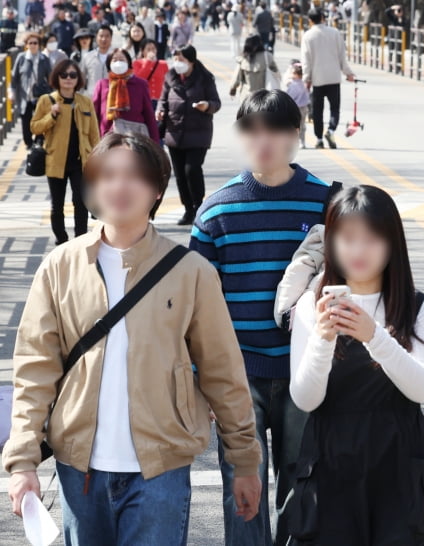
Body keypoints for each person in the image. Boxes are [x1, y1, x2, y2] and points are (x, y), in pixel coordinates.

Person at [4, 132, 262, 545]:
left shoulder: (190, 271)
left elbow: (222, 372)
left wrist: (245, 459)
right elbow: (35, 369)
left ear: (158, 188)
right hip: (79, 469)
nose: (120, 186)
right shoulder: (61, 266)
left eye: (135, 176)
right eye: (107, 175)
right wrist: (22, 460)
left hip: (161, 470)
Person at [190, 89, 331, 545]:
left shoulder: (326, 203)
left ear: (295, 135)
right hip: (237, 376)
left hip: (305, 369)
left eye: (275, 129)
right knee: (242, 491)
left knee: (303, 489)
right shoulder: (217, 210)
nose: (263, 140)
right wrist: (200, 379)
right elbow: (198, 307)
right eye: (252, 130)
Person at [286, 185, 424, 544]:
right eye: (347, 238)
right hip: (331, 460)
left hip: (399, 460)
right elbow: (305, 399)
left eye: (371, 238)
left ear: (392, 243)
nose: (358, 250)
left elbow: (422, 388)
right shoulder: (312, 305)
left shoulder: (415, 306)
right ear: (331, 242)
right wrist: (324, 340)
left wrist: (375, 336)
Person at [31, 59, 100, 245]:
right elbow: (35, 127)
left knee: (81, 201)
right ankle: (61, 239)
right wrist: (51, 115)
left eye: (73, 75)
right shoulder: (46, 100)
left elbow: (95, 134)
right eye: (64, 75)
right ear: (57, 78)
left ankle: (81, 239)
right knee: (57, 205)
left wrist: (98, 159)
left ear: (78, 79)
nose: (68, 79)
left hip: (81, 161)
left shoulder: (85, 102)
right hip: (56, 160)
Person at [157, 45, 221, 225]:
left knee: (191, 170)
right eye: (175, 59)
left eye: (182, 60)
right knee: (179, 175)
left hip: (198, 133)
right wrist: (161, 110)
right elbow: (163, 100)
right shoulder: (170, 77)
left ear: (191, 61)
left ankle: (199, 207)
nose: (177, 63)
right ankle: (188, 210)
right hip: (174, 133)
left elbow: (216, 102)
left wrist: (206, 106)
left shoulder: (205, 78)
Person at [300, 8, 356, 149]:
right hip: (333, 78)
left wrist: (307, 79)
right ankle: (330, 130)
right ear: (323, 18)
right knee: (335, 109)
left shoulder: (308, 36)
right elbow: (342, 56)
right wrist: (348, 73)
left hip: (317, 79)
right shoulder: (335, 33)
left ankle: (319, 139)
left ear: (310, 20)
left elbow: (306, 60)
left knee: (317, 111)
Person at [93, 48, 160, 142]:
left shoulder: (140, 84)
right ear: (109, 64)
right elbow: (94, 115)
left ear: (128, 63)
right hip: (108, 137)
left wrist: (155, 142)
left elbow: (149, 116)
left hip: (135, 138)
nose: (118, 62)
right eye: (115, 60)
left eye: (122, 60)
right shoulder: (102, 85)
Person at [10, 34, 53, 148]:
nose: (33, 45)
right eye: (30, 43)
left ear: (39, 45)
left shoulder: (44, 59)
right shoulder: (21, 58)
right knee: (26, 120)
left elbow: (50, 77)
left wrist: (53, 94)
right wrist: (12, 93)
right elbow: (14, 78)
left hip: (40, 96)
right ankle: (28, 143)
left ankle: (39, 141)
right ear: (26, 45)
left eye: (35, 43)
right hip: (25, 96)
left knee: (40, 119)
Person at [133, 39, 170, 112]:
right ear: (143, 51)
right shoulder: (137, 63)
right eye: (148, 49)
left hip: (159, 100)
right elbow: (139, 78)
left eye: (153, 48)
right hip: (144, 99)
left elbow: (167, 82)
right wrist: (148, 62)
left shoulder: (163, 64)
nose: (151, 51)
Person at [81, 24, 116, 90]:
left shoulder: (117, 56)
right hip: (92, 97)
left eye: (107, 36)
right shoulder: (88, 56)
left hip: (112, 96)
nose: (104, 39)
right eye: (101, 36)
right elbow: (82, 78)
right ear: (96, 38)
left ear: (111, 38)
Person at [287, 63, 312, 148]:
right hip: (303, 108)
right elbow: (307, 96)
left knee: (293, 126)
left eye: (292, 73)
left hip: (294, 108)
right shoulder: (303, 84)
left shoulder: (293, 85)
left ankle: (293, 142)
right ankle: (302, 141)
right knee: (302, 125)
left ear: (296, 75)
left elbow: (289, 96)